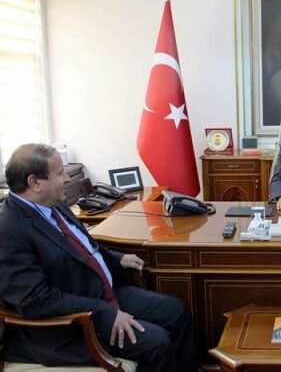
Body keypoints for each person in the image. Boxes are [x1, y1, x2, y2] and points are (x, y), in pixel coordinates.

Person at [0, 144, 196, 372]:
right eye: (60, 173)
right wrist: (104, 312)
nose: (67, 178)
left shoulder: (54, 204)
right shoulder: (8, 231)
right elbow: (36, 301)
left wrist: (116, 258)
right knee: (157, 342)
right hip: (71, 326)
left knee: (177, 311)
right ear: (34, 183)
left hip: (102, 293)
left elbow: (81, 246)